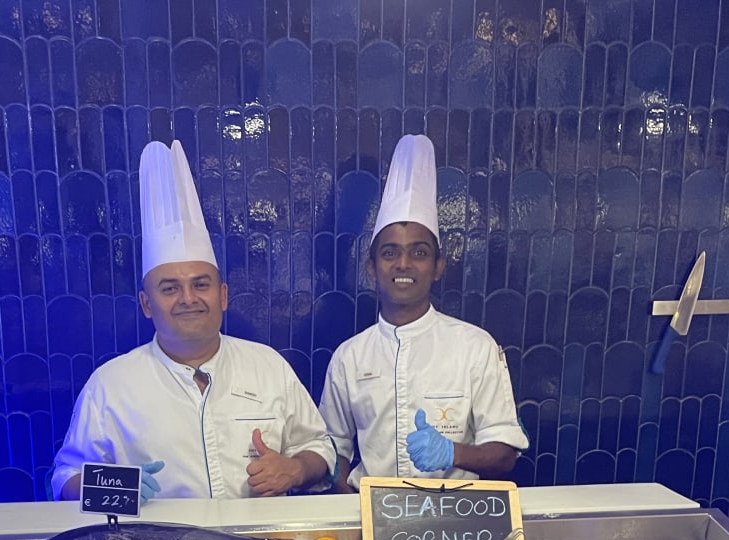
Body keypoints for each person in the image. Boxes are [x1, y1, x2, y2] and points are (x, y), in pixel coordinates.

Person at [49, 140, 334, 503]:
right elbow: (65, 478)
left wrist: (295, 469)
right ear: (147, 304)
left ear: (223, 295)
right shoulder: (111, 385)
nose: (188, 298)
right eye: (170, 288)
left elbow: (319, 448)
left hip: (258, 536)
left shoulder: (268, 367)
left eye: (201, 284)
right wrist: (118, 487)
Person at [319, 134, 528, 489]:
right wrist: (351, 503)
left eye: (419, 252)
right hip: (371, 512)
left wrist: (452, 453)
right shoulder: (349, 358)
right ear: (372, 268)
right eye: (390, 253)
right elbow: (332, 450)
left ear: (438, 267)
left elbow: (505, 452)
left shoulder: (475, 348)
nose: (404, 264)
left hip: (456, 512)